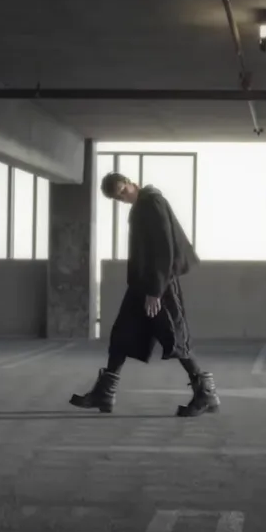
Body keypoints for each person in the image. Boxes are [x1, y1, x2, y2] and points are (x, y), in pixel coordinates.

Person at [70, 172, 219, 417]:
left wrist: (155, 291)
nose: (123, 197)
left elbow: (164, 249)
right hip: (141, 286)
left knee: (175, 338)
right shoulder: (141, 207)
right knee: (121, 335)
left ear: (131, 183)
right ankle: (104, 393)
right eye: (118, 197)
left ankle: (205, 394)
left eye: (123, 191)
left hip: (160, 286)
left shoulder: (152, 202)